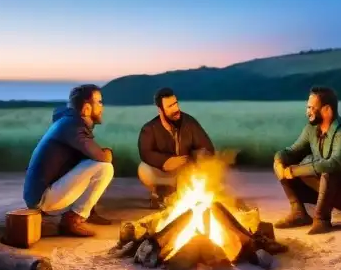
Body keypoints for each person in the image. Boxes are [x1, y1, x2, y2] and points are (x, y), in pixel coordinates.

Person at [273, 86, 341, 235]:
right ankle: (298, 214)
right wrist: (279, 161)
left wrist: (294, 171)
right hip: (326, 189)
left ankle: (321, 220)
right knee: (282, 163)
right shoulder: (311, 129)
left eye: (312, 108)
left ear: (327, 110)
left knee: (330, 171)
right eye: (308, 107)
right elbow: (291, 152)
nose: (308, 112)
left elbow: (336, 163)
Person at [23, 84, 116, 237]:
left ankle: (87, 212)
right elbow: (103, 157)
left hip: (44, 193)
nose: (102, 107)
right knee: (104, 168)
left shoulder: (68, 122)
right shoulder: (73, 127)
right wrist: (108, 152)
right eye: (99, 102)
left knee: (91, 162)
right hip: (44, 198)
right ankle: (73, 220)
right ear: (86, 108)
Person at [137, 87, 217, 208]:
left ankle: (177, 195)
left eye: (175, 104)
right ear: (160, 110)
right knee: (144, 169)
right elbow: (145, 152)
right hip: (164, 173)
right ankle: (160, 192)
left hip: (186, 172)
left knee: (208, 166)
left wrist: (192, 159)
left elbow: (208, 148)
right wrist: (164, 162)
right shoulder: (150, 128)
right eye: (170, 106)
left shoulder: (189, 122)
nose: (175, 109)